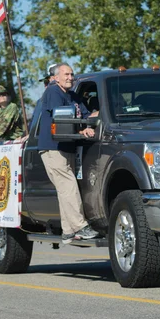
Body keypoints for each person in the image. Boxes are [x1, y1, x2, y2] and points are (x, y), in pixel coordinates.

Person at [37, 62, 100, 244]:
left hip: (67, 147)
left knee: (65, 190)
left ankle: (68, 231)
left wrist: (103, 114)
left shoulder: (73, 96)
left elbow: (88, 115)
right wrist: (82, 131)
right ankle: (80, 226)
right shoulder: (52, 92)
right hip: (53, 148)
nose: (70, 78)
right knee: (69, 187)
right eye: (66, 74)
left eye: (72, 75)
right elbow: (61, 118)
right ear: (55, 78)